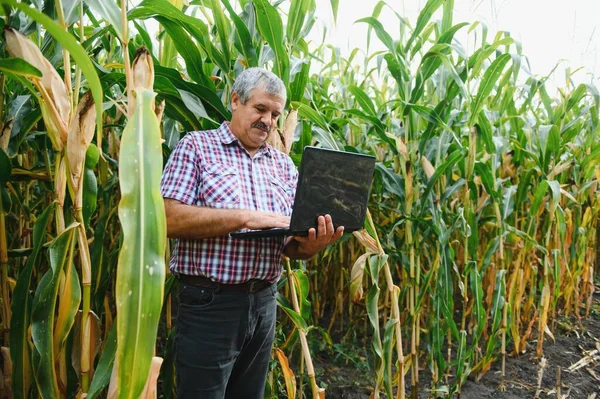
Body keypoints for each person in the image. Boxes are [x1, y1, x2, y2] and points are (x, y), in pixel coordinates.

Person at [160, 67, 344, 399]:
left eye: (275, 114)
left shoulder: (282, 165)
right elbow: (167, 219)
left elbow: (291, 247)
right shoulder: (197, 147)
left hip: (263, 303)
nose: (268, 120)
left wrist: (313, 244)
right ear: (235, 101)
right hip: (209, 304)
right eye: (260, 109)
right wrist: (244, 218)